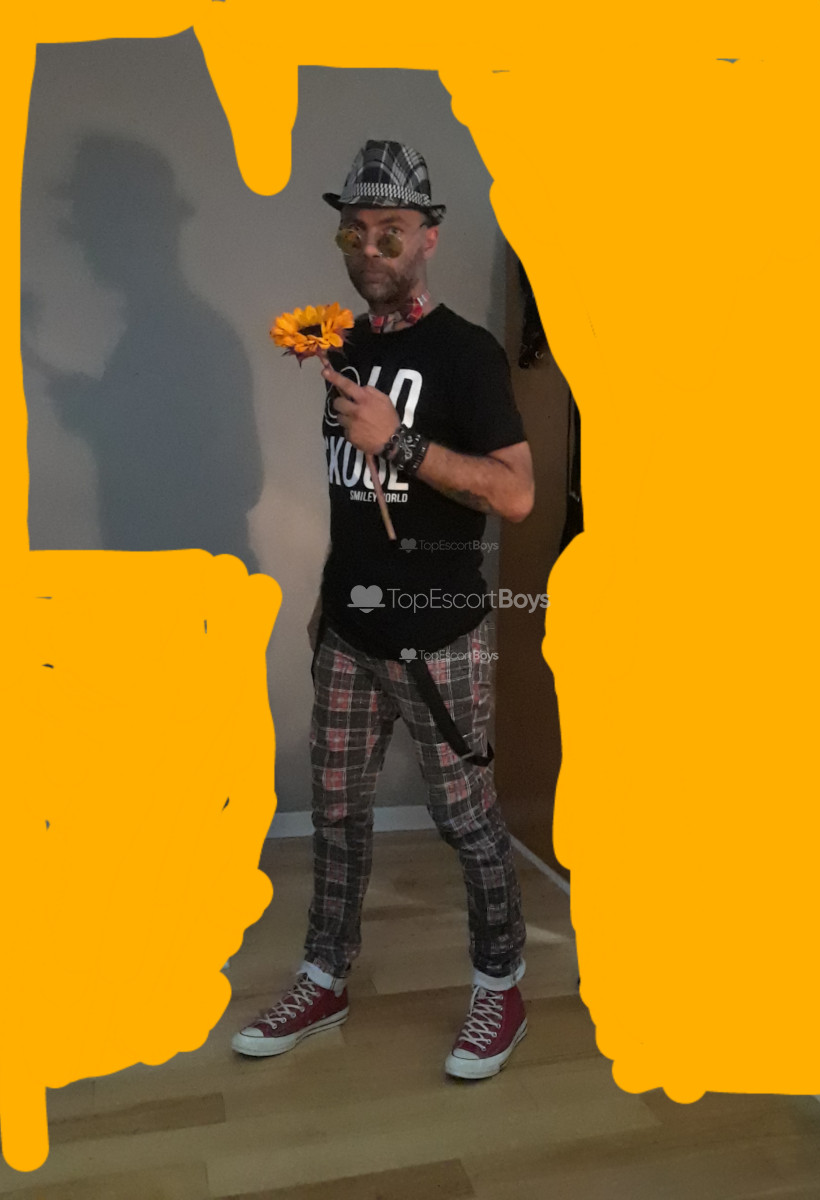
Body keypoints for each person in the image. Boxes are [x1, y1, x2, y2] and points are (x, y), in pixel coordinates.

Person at [232, 140, 535, 1080]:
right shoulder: (346, 346)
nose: (370, 249)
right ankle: (324, 974)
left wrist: (400, 442)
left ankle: (501, 984)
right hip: (350, 633)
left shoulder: (468, 355)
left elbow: (517, 494)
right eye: (354, 232)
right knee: (335, 815)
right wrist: (330, 601)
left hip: (439, 639)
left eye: (391, 232)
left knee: (468, 821)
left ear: (428, 237)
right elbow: (351, 498)